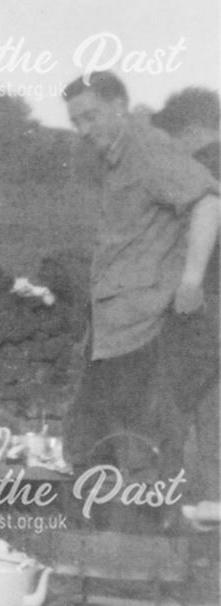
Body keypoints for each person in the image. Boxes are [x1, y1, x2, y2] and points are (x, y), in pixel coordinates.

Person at [61, 72, 219, 529]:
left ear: (119, 107)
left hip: (145, 325)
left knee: (139, 437)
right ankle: (102, 543)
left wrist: (191, 280)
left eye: (91, 115)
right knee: (92, 432)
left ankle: (142, 546)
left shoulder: (147, 149)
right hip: (113, 325)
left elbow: (209, 202)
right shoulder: (115, 161)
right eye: (76, 121)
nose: (84, 128)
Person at [151, 88, 220, 504]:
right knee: (216, 430)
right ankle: (216, 535)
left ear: (192, 130)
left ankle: (157, 517)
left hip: (200, 310)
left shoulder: (200, 171)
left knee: (163, 416)